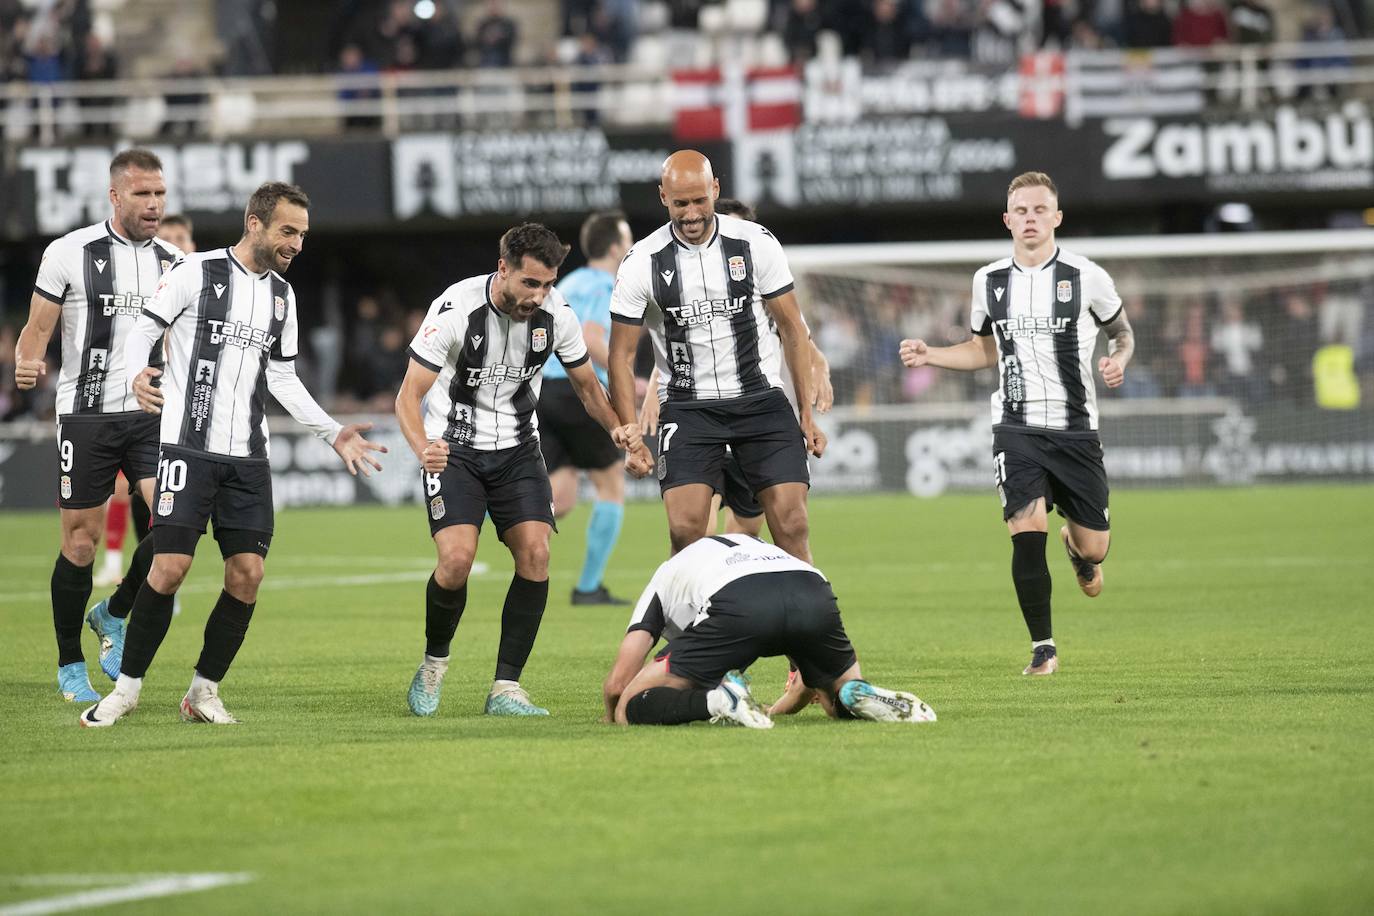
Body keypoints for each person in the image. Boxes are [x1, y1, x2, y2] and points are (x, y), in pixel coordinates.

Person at [79, 182, 385, 727]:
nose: (296, 243)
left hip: (248, 458)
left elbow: (284, 379)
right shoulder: (195, 273)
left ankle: (202, 691)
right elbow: (144, 329)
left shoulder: (283, 298)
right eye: (287, 231)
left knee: (247, 574)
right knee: (169, 568)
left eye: (302, 235)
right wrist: (133, 373)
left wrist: (332, 432)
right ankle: (125, 691)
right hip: (187, 449)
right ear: (254, 224)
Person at [396, 223, 651, 719]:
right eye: (530, 283)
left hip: (518, 449)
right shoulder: (456, 309)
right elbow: (409, 394)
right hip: (455, 451)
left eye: (548, 284)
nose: (539, 295)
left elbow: (585, 387)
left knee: (536, 553)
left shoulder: (557, 316)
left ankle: (506, 688)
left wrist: (619, 428)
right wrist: (422, 445)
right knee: (455, 562)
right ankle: (433, 663)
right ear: (504, 270)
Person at [898, 171, 1135, 676]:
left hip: (1075, 429)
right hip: (1015, 426)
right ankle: (1043, 648)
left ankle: (1078, 548)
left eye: (1039, 210)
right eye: (1021, 211)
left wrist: (1119, 359)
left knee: (1095, 545)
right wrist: (932, 354)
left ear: (1057, 217)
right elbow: (985, 349)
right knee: (1025, 528)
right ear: (1008, 220)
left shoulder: (1086, 276)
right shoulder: (989, 281)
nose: (1030, 219)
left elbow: (1122, 334)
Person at [14, 149, 184, 703]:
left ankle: (113, 612)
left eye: (159, 193)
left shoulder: (175, 263)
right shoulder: (69, 252)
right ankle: (69, 664)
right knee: (81, 543)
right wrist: (26, 360)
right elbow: (37, 327)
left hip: (150, 413)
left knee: (173, 529)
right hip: (85, 415)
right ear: (115, 196)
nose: (154, 204)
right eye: (142, 194)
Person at [607, 150, 826, 562]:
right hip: (689, 408)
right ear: (662, 198)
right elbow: (620, 355)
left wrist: (806, 414)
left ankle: (808, 622)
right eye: (680, 203)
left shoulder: (756, 243)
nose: (691, 213)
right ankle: (688, 624)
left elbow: (793, 329)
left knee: (792, 524)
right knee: (686, 531)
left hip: (761, 401)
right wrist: (630, 433)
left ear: (715, 190)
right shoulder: (641, 263)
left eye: (699, 201)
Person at [639, 197, 833, 540]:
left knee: (747, 532)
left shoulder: (760, 283)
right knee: (698, 531)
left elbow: (800, 335)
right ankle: (700, 590)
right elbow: (678, 341)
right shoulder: (687, 279)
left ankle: (740, 589)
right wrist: (656, 387)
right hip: (700, 416)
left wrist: (820, 369)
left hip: (754, 415)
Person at [601, 533, 937, 728]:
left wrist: (610, 715)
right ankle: (854, 692)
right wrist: (772, 712)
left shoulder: (664, 577)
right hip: (810, 585)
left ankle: (720, 700)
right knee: (835, 698)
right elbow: (808, 678)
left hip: (738, 598)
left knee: (629, 707)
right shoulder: (750, 546)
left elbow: (618, 683)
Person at [536, 210, 635, 605]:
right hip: (580, 392)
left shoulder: (569, 281)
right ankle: (589, 587)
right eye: (626, 240)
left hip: (544, 392)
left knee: (560, 500)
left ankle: (488, 508)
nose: (630, 247)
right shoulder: (603, 283)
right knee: (611, 485)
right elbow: (592, 336)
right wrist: (624, 375)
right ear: (614, 247)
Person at [96, 215, 196, 591]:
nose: (173, 244)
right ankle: (141, 576)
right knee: (141, 494)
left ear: (191, 243)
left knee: (172, 504)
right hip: (144, 401)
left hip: (188, 409)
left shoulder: (204, 286)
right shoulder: (146, 288)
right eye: (166, 238)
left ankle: (153, 577)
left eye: (180, 238)